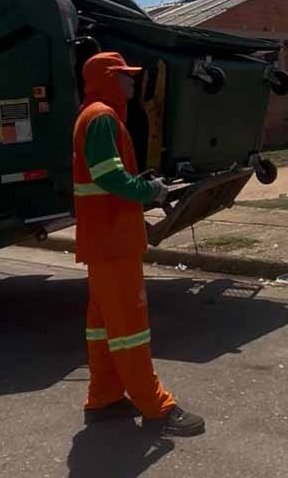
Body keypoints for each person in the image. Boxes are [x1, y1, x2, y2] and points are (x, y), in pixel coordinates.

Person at [73, 51, 204, 437]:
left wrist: (141, 184)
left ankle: (104, 397)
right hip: (114, 241)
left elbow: (105, 176)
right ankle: (156, 407)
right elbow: (108, 177)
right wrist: (150, 190)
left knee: (103, 326)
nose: (132, 82)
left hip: (103, 240)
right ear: (109, 79)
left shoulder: (93, 115)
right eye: (125, 76)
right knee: (130, 327)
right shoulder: (102, 117)